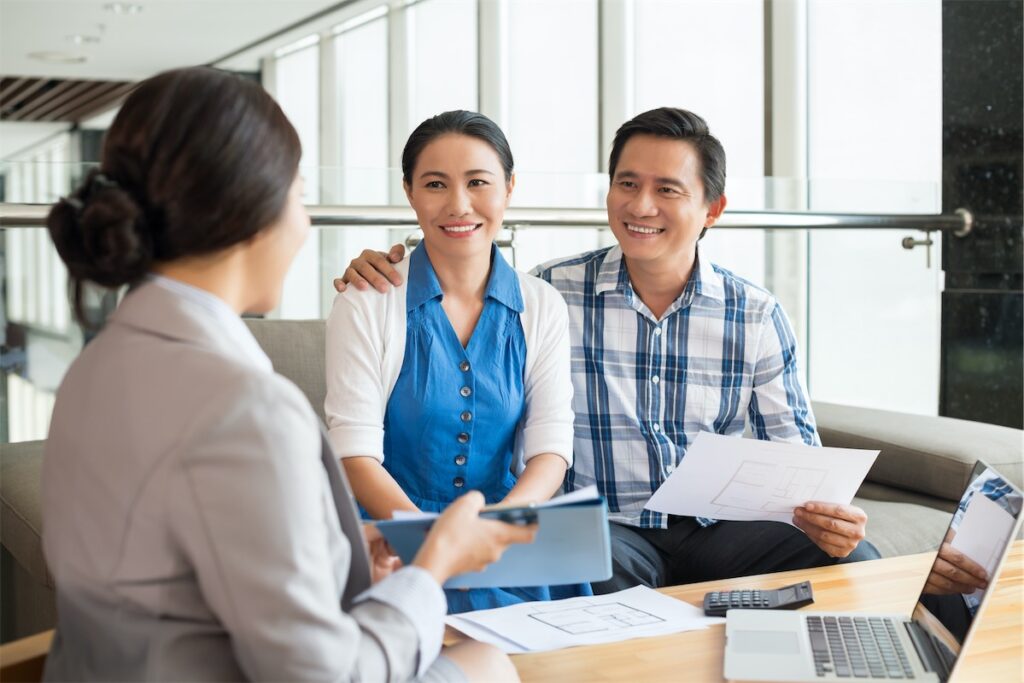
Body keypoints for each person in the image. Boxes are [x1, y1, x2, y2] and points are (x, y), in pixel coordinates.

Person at [42, 67, 531, 682]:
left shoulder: (94, 366)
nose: (303, 224)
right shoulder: (243, 407)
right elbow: (325, 674)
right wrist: (434, 565)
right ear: (249, 210)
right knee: (490, 665)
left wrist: (341, 545)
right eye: (298, 195)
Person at [336, 107, 881, 593]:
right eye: (627, 184)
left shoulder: (755, 315)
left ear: (712, 209)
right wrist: (378, 264)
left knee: (853, 559)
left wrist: (829, 517)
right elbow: (458, 270)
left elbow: (800, 465)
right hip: (610, 531)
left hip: (721, 533)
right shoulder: (552, 293)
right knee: (580, 566)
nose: (641, 205)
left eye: (667, 189)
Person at [325, 110, 589, 614]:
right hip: (391, 541)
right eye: (435, 184)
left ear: (509, 188)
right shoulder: (365, 301)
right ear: (408, 191)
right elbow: (354, 453)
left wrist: (497, 530)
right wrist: (440, 545)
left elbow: (551, 446)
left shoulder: (542, 304)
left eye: (478, 182)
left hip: (503, 537)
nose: (458, 204)